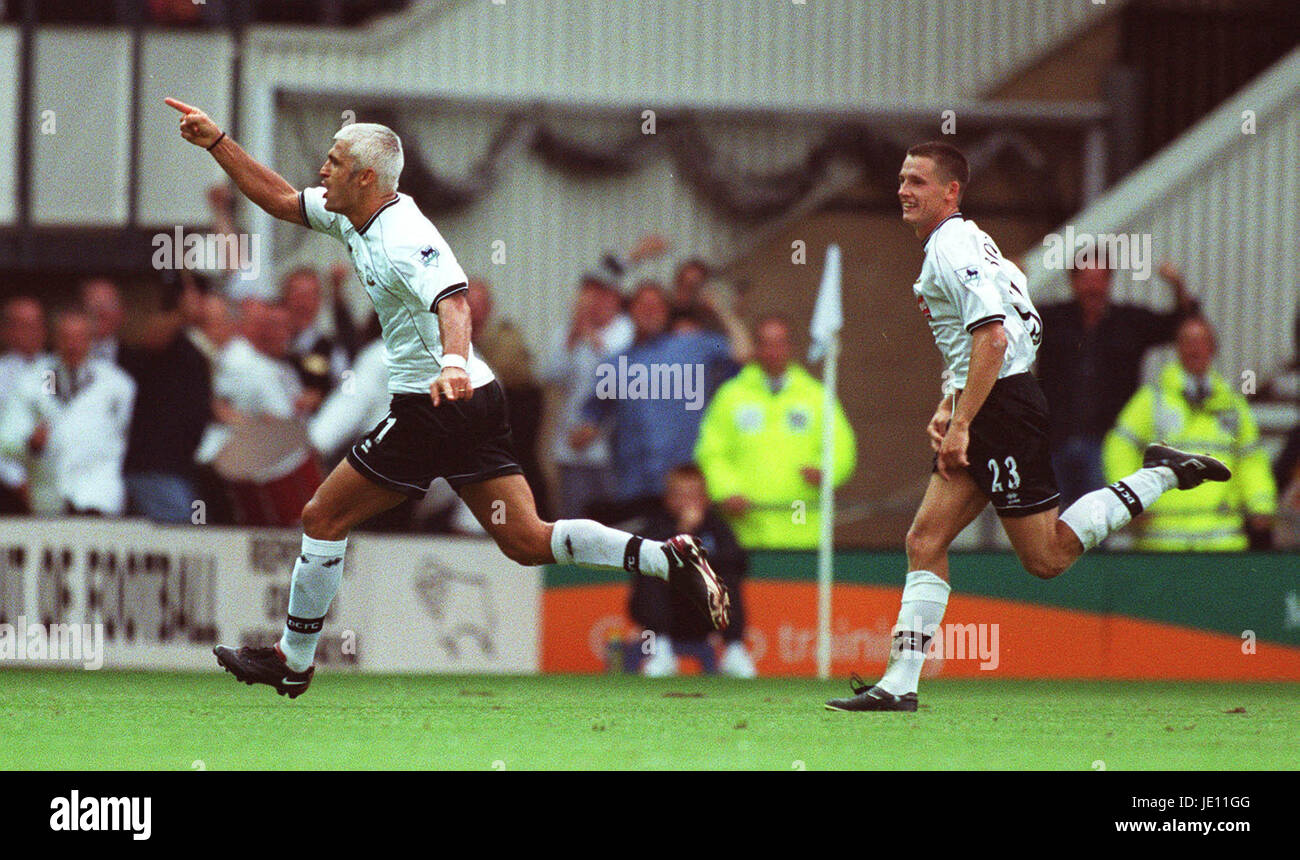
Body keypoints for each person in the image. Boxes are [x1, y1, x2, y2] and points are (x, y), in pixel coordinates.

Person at [165, 97, 729, 697]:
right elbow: (279, 198)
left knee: (321, 516)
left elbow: (454, 303)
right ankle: (666, 557)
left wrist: (453, 364)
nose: (321, 171)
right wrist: (218, 141)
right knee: (527, 540)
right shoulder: (349, 211)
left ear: (365, 178)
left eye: (332, 162)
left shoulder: (407, 237)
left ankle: (295, 657)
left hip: (440, 402)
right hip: (470, 402)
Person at [825, 141, 1231, 713]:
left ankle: (1158, 475)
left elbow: (994, 338)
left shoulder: (952, 246)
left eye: (917, 181)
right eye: (900, 180)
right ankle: (899, 682)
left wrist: (964, 419)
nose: (903, 191)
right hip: (993, 400)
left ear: (951, 191)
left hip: (1003, 410)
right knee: (924, 539)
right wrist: (954, 398)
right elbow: (1022, 326)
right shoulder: (981, 247)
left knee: (1046, 559)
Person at [569, 281, 749, 514]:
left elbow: (743, 354)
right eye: (642, 306)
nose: (650, 311)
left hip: (685, 484)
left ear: (667, 311)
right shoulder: (615, 363)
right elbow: (594, 413)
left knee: (685, 549)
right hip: (635, 484)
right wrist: (585, 431)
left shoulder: (693, 344)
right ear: (630, 311)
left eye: (657, 306)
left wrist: (721, 311)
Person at [1103, 317, 1277, 550]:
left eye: (1201, 342)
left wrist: (1261, 505)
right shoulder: (1152, 399)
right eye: (1187, 341)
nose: (1195, 349)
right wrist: (1130, 501)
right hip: (1163, 541)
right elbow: (1119, 447)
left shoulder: (1233, 406)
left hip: (1221, 542)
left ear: (1212, 348)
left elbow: (1251, 461)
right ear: (1177, 347)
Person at [1036, 258, 1198, 507]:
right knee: (1049, 520)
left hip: (1108, 442)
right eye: (1087, 279)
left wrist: (1177, 284)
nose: (1093, 287)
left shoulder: (1129, 322)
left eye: (1099, 279)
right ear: (1074, 282)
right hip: (1055, 442)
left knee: (1099, 517)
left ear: (1109, 282)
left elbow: (1180, 323)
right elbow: (1008, 320)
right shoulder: (1052, 319)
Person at [695, 314, 857, 549]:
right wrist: (725, 490)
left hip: (801, 521)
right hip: (746, 526)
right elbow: (711, 451)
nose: (773, 350)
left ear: (790, 347)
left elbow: (842, 446)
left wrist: (826, 470)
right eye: (765, 343)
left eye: (780, 342)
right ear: (756, 348)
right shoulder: (731, 396)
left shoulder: (815, 396)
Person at [0, 310, 136, 516]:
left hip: (99, 498)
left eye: (80, 337)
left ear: (91, 340)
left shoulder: (116, 384)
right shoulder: (36, 380)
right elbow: (5, 440)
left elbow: (130, 438)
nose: (73, 345)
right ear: (54, 339)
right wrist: (30, 443)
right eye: (66, 337)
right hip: (49, 502)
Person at [630, 464, 756, 678]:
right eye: (679, 495)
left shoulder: (717, 526)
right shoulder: (656, 525)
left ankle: (734, 650)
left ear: (705, 499)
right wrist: (683, 532)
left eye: (693, 495)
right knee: (651, 575)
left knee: (727, 577)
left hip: (704, 615)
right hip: (665, 614)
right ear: (667, 498)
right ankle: (659, 652)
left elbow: (739, 562)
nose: (686, 502)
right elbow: (649, 558)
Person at [539, 273, 633, 518]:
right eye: (590, 298)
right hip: (572, 447)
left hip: (612, 450)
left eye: (603, 297)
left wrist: (592, 338)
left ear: (616, 299)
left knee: (613, 525)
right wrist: (572, 339)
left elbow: (619, 374)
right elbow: (549, 375)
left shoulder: (627, 329)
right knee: (574, 523)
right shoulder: (568, 332)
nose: (596, 304)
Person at [0, 296, 47, 514]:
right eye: (24, 325)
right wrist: (17, 481)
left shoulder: (52, 372)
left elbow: (54, 418)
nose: (33, 332)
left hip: (47, 484)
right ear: (6, 330)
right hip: (7, 485)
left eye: (37, 325)